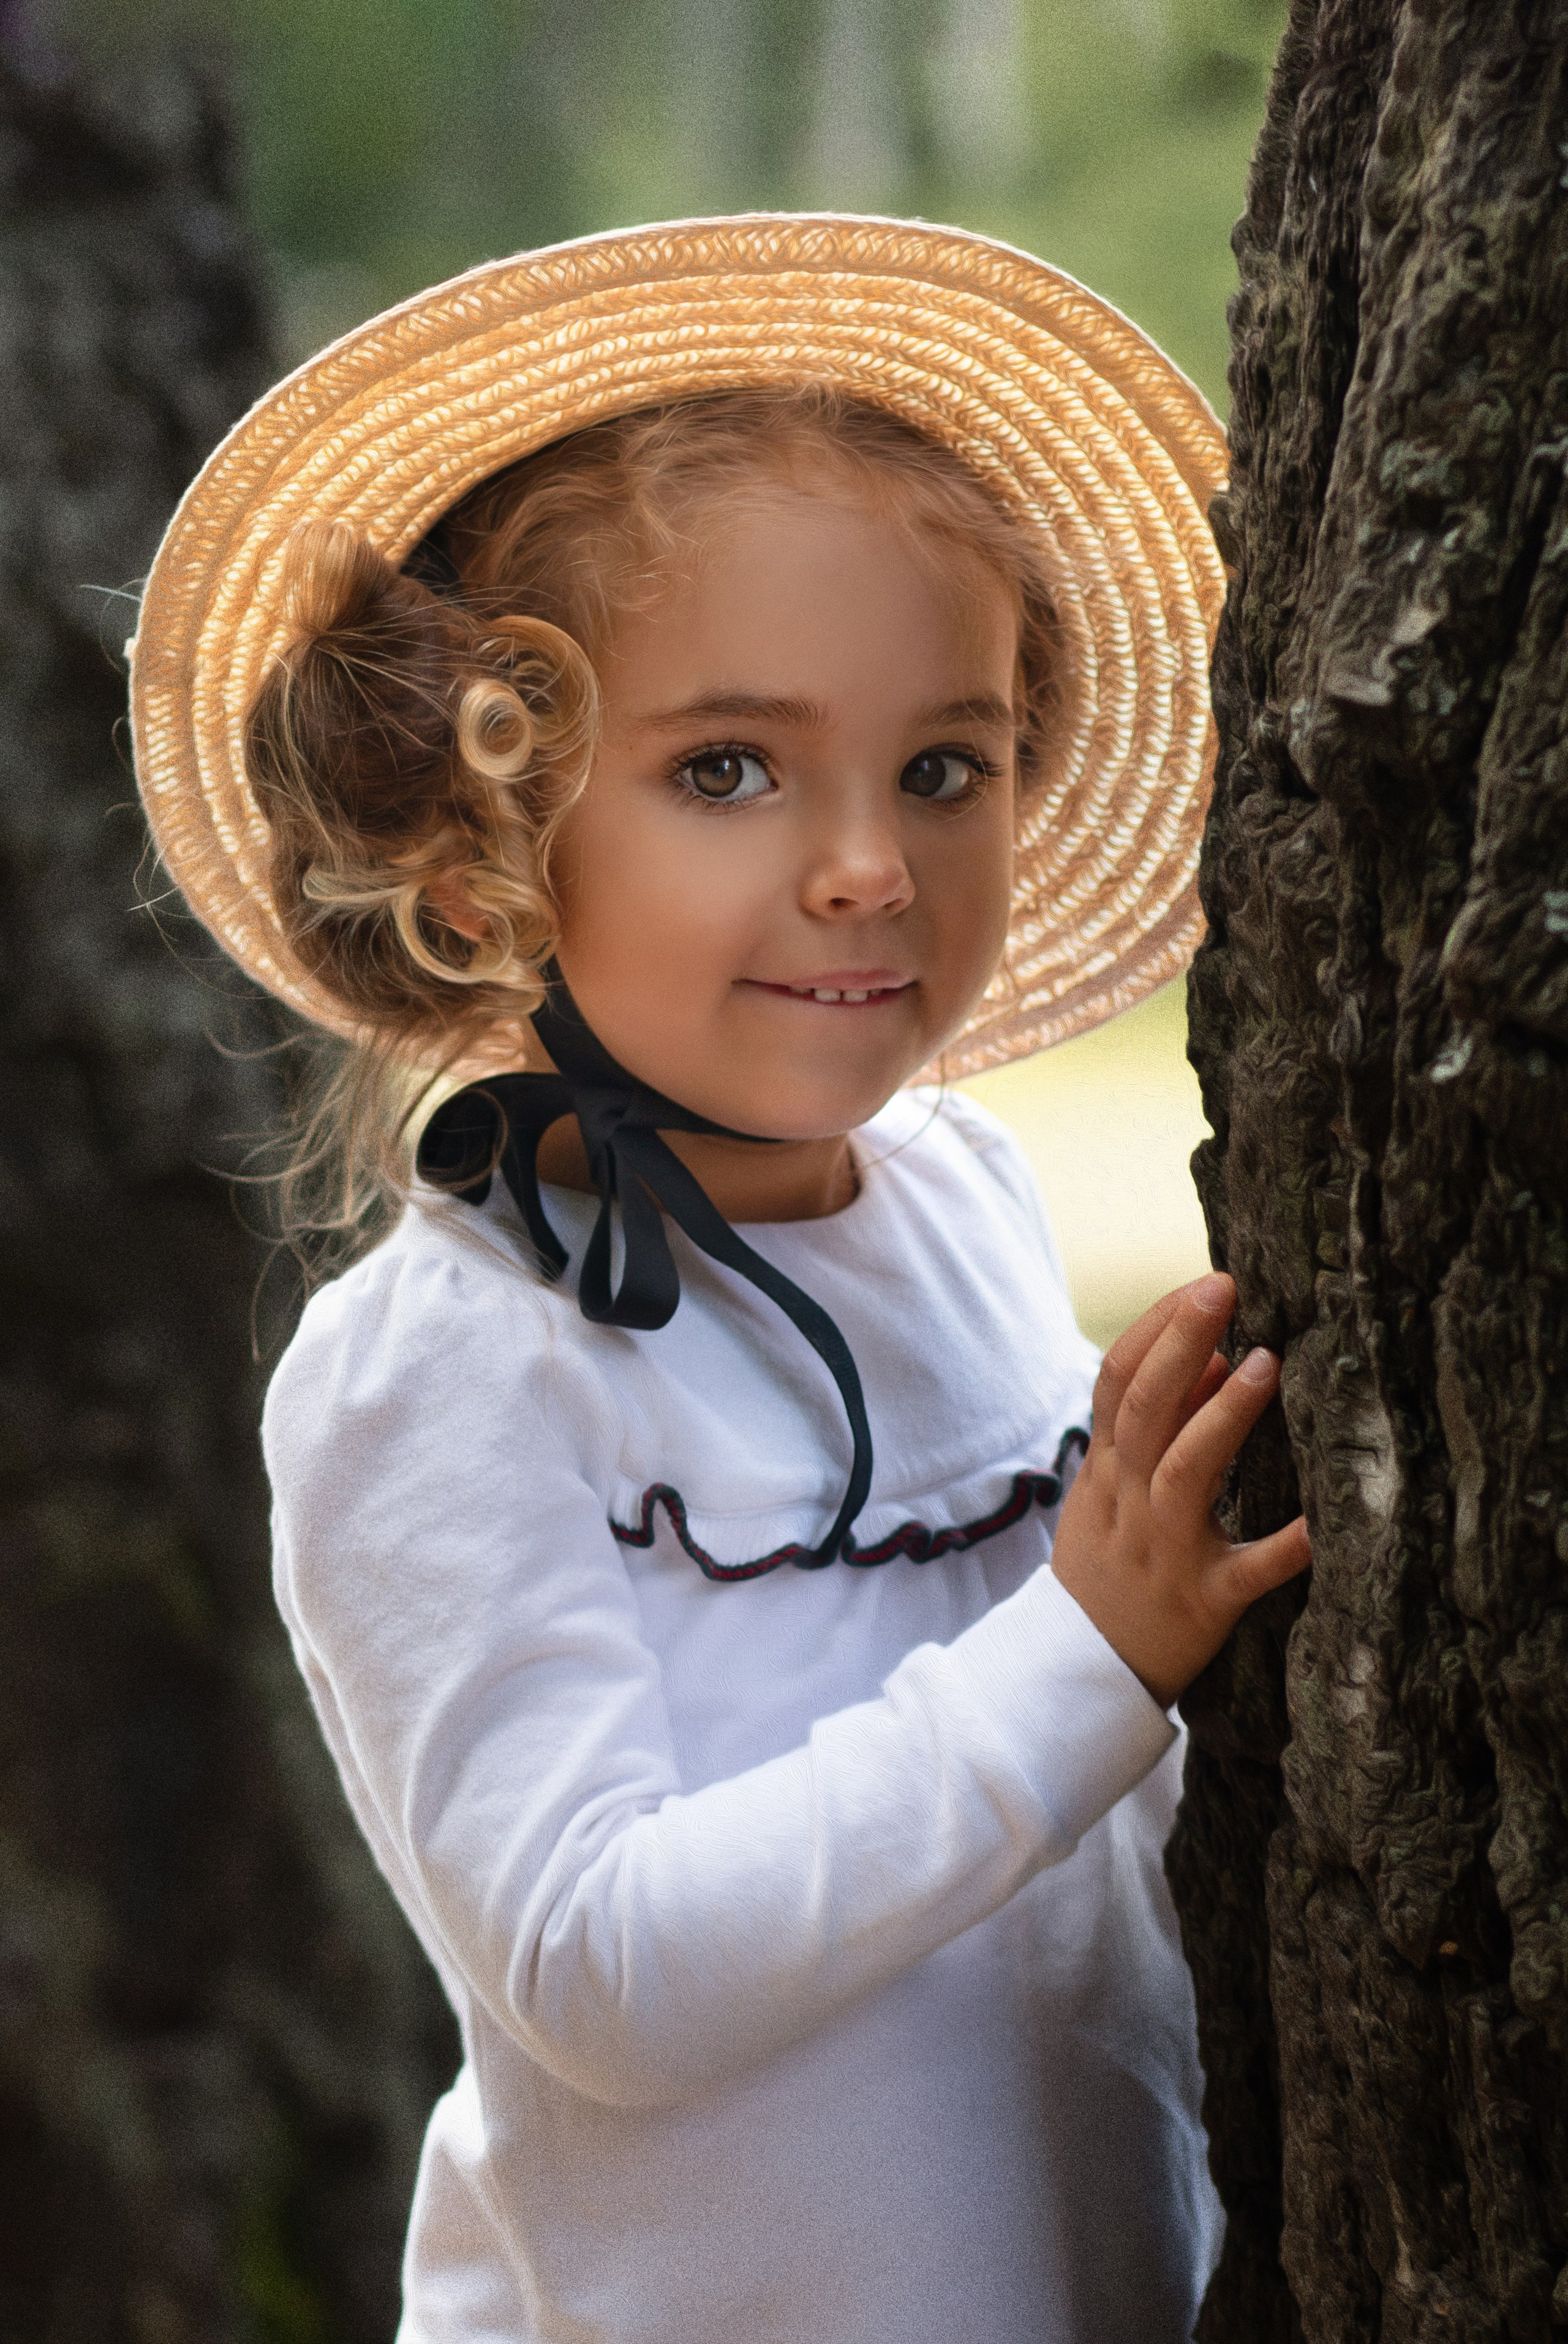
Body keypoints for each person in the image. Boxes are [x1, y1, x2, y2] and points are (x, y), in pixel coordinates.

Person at [129, 217, 1310, 2344]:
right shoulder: (442, 1374)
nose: (871, 859)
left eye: (944, 765)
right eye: (730, 770)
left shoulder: (963, 1199)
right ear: (489, 842)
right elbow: (598, 1962)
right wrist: (1084, 1659)